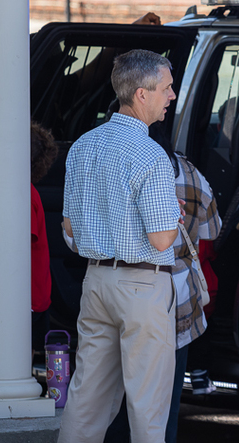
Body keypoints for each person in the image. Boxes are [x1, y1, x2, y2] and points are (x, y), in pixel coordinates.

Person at [58, 49, 181, 443]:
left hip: (96, 281)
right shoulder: (150, 154)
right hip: (143, 285)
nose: (172, 95)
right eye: (166, 88)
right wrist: (173, 214)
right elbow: (161, 238)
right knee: (147, 405)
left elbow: (69, 229)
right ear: (142, 94)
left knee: (86, 398)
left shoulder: (83, 145)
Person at [102, 122, 222, 443]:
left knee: (118, 401)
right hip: (178, 300)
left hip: (124, 293)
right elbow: (213, 228)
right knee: (165, 406)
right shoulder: (189, 172)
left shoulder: (117, 166)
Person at [30, 122, 58, 358]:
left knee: (21, 351)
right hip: (35, 291)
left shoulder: (23, 195)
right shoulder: (28, 192)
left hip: (27, 294)